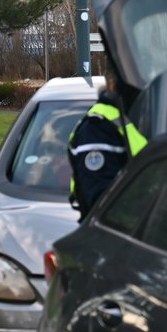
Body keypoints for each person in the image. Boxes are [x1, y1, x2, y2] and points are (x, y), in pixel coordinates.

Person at [67, 63, 147, 219]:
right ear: (112, 83)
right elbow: (101, 200)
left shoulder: (137, 117)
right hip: (120, 235)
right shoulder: (97, 128)